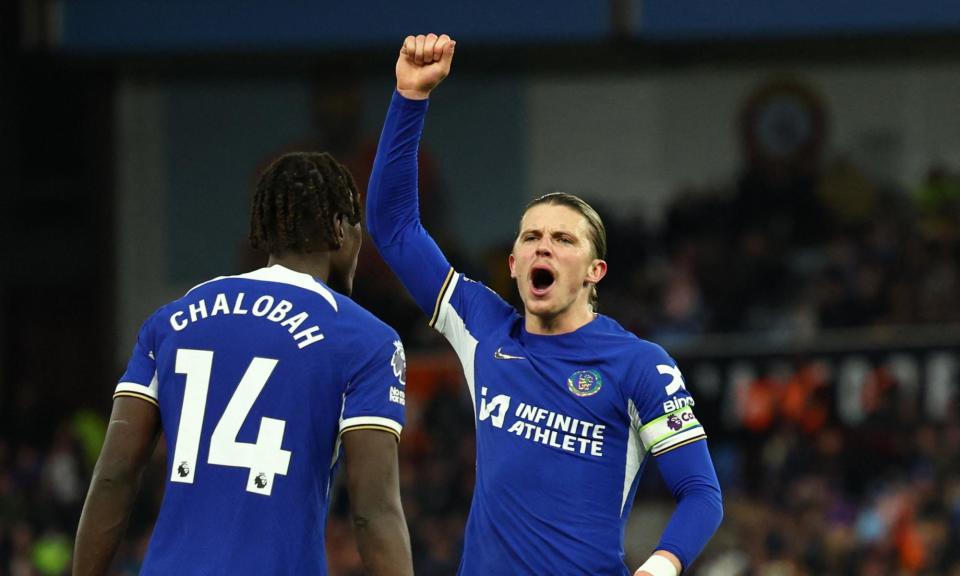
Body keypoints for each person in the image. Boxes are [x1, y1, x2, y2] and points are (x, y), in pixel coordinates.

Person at [366, 34, 723, 576]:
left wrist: (664, 563)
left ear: (594, 272)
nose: (544, 246)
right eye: (531, 237)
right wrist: (409, 99)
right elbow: (392, 228)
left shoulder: (639, 364)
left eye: (563, 239)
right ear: (512, 263)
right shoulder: (484, 326)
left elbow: (701, 492)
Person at [74, 152, 414, 576]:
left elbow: (114, 477)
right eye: (357, 224)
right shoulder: (366, 340)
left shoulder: (171, 320)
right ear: (339, 228)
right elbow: (373, 511)